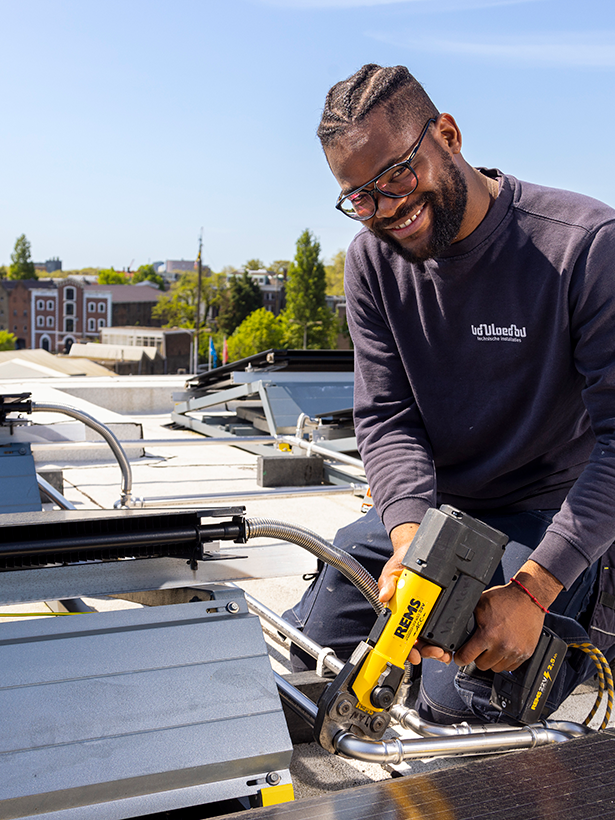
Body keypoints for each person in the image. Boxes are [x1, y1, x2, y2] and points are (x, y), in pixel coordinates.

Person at [284, 64, 615, 723]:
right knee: (309, 670)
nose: (385, 211)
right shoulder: (370, 262)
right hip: (434, 518)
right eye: (360, 197)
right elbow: (386, 413)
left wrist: (534, 590)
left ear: (447, 135)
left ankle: (575, 631)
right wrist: (408, 538)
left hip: (545, 518)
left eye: (396, 176)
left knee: (453, 709)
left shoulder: (582, 245)